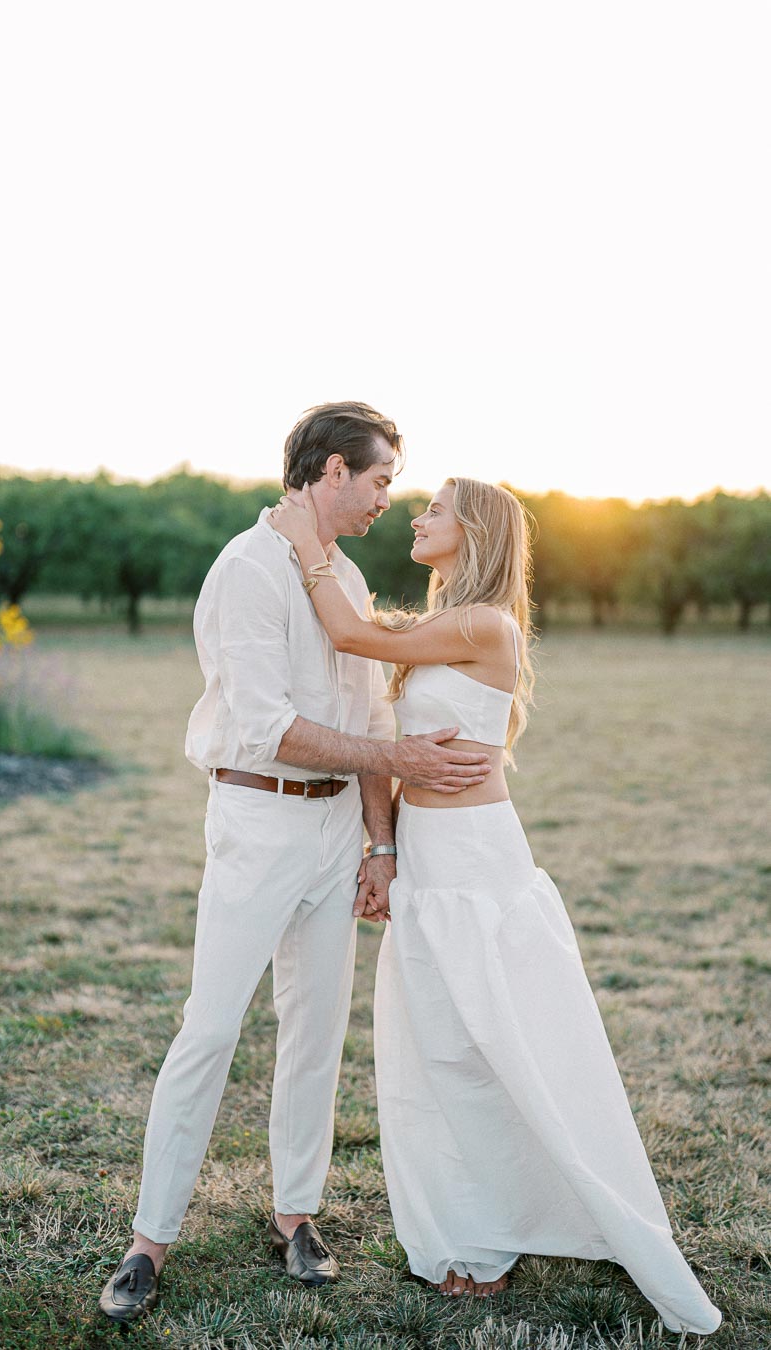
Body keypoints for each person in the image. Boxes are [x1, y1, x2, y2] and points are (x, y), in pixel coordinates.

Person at [266, 477, 722, 1337]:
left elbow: (356, 635)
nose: (416, 516)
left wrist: (309, 544)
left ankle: (564, 1208)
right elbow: (383, 690)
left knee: (508, 1044)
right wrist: (388, 845)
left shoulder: (482, 624)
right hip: (430, 864)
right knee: (438, 1053)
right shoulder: (447, 625)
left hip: (479, 869)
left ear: (473, 532)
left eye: (434, 508)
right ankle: (474, 1232)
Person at [98, 404, 494, 1324]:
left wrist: (382, 844)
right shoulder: (246, 569)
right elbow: (272, 725)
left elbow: (369, 723)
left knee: (316, 1032)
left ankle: (295, 1217)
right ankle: (149, 1241)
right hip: (257, 816)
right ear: (329, 472)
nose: (388, 501)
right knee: (210, 1028)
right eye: (381, 480)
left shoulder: (344, 577)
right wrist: (399, 766)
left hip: (334, 833)